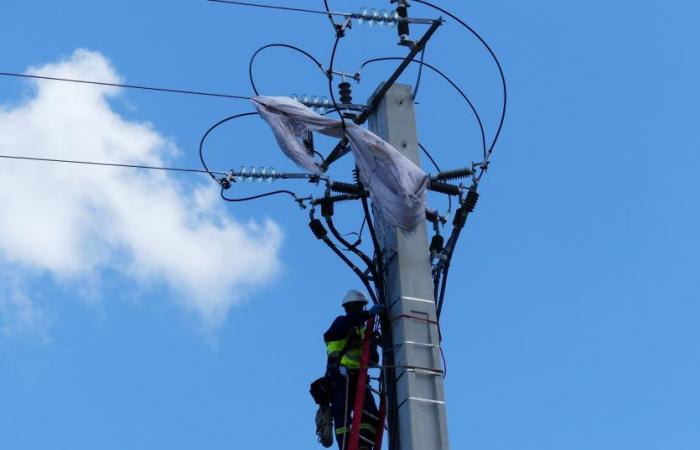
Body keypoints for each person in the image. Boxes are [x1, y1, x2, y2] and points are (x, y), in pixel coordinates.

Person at [324, 289, 383, 450]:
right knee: (342, 419)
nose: (361, 310)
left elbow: (371, 357)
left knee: (370, 415)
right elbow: (348, 322)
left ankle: (364, 446)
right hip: (341, 378)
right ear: (350, 308)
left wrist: (375, 342)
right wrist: (368, 315)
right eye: (359, 307)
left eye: (362, 307)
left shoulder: (363, 331)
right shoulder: (341, 323)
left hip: (358, 379)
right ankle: (347, 447)